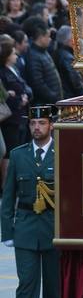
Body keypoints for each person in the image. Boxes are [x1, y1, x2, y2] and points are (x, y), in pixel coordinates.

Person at [0, 104, 59, 298]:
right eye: (33, 124)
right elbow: (8, 196)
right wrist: (7, 232)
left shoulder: (61, 153)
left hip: (53, 228)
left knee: (54, 286)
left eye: (42, 123)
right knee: (26, 287)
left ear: (51, 126)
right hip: (25, 228)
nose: (37, 128)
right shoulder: (18, 155)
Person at [0, 36, 29, 186]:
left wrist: (23, 95)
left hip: (19, 117)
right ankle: (6, 186)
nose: (16, 55)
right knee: (8, 152)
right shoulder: (3, 73)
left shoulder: (14, 69)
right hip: (9, 119)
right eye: (13, 53)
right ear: (6, 56)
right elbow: (5, 97)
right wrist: (19, 99)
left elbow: (21, 87)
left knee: (16, 150)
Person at [24, 19, 63, 104]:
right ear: (41, 37)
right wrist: (54, 98)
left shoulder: (43, 51)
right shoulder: (33, 56)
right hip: (45, 104)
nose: (50, 39)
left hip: (53, 101)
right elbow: (38, 84)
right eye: (48, 36)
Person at [53, 25, 83, 99]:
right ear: (70, 40)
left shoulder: (58, 52)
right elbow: (75, 81)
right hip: (71, 97)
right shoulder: (67, 57)